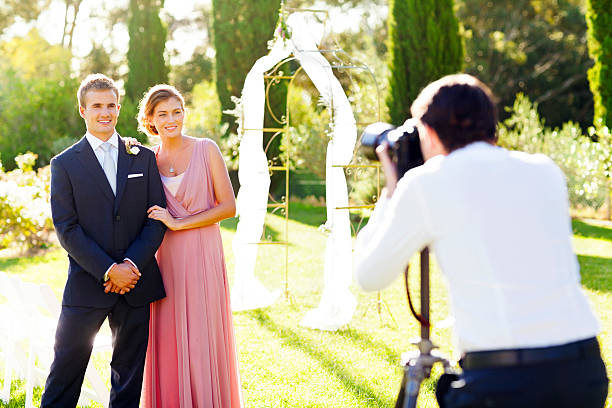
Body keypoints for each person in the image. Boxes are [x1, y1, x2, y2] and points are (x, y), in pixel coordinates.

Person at [354, 74, 608, 407]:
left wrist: (391, 190)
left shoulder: (426, 184)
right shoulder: (544, 170)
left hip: (505, 384)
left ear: (428, 132)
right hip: (583, 372)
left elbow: (368, 276)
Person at [41, 74, 167, 407]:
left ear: (119, 107)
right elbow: (67, 229)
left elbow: (156, 219)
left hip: (137, 282)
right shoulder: (64, 164)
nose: (105, 113)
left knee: (128, 376)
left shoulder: (143, 157)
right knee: (65, 372)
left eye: (111, 105)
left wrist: (129, 265)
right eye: (97, 106)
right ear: (83, 110)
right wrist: (110, 270)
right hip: (87, 284)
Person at [136, 84, 243, 407]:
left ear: (184, 113)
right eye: (163, 114)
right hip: (165, 259)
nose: (172, 120)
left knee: (201, 333)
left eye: (177, 112)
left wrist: (179, 221)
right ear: (150, 119)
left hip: (202, 253)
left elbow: (228, 207)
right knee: (167, 335)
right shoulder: (146, 159)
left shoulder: (206, 149)